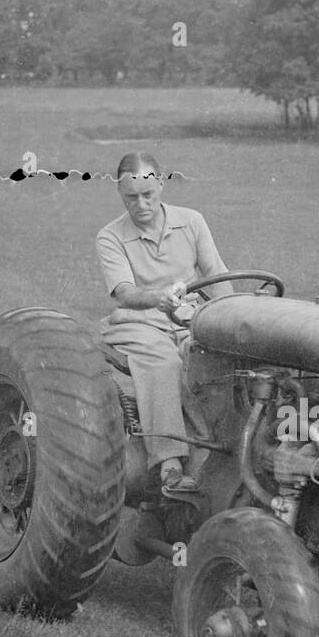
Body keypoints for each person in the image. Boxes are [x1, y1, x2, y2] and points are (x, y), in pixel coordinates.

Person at [96, 152, 230, 492]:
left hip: (187, 315)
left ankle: (221, 451)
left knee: (216, 358)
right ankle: (168, 464)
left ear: (160, 182)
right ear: (120, 194)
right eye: (131, 198)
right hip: (140, 320)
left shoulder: (192, 221)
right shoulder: (110, 237)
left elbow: (214, 273)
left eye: (147, 195)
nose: (141, 205)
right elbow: (125, 293)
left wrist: (232, 313)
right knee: (164, 362)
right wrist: (159, 297)